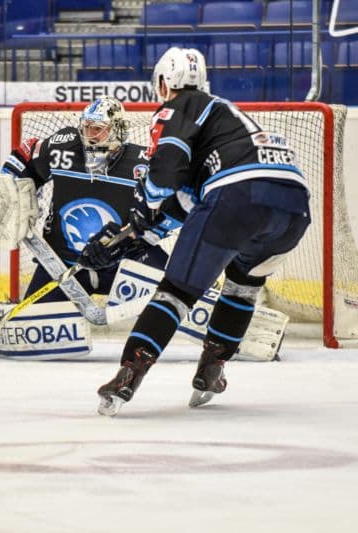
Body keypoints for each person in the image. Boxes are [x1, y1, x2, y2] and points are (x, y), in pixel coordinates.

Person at [93, 47, 310, 416]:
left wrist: (141, 209)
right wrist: (135, 235)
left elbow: (165, 174)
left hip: (239, 194)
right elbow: (187, 201)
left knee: (176, 291)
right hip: (293, 205)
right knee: (243, 283)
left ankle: (129, 373)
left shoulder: (182, 105)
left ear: (163, 83)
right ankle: (212, 370)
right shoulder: (222, 125)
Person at [0, 96, 170, 300]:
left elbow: (168, 208)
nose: (89, 136)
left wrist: (128, 238)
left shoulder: (142, 163)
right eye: (86, 128)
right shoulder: (63, 148)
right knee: (30, 323)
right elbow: (24, 158)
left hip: (123, 262)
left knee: (170, 298)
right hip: (62, 266)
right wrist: (7, 188)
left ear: (118, 130)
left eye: (97, 129)